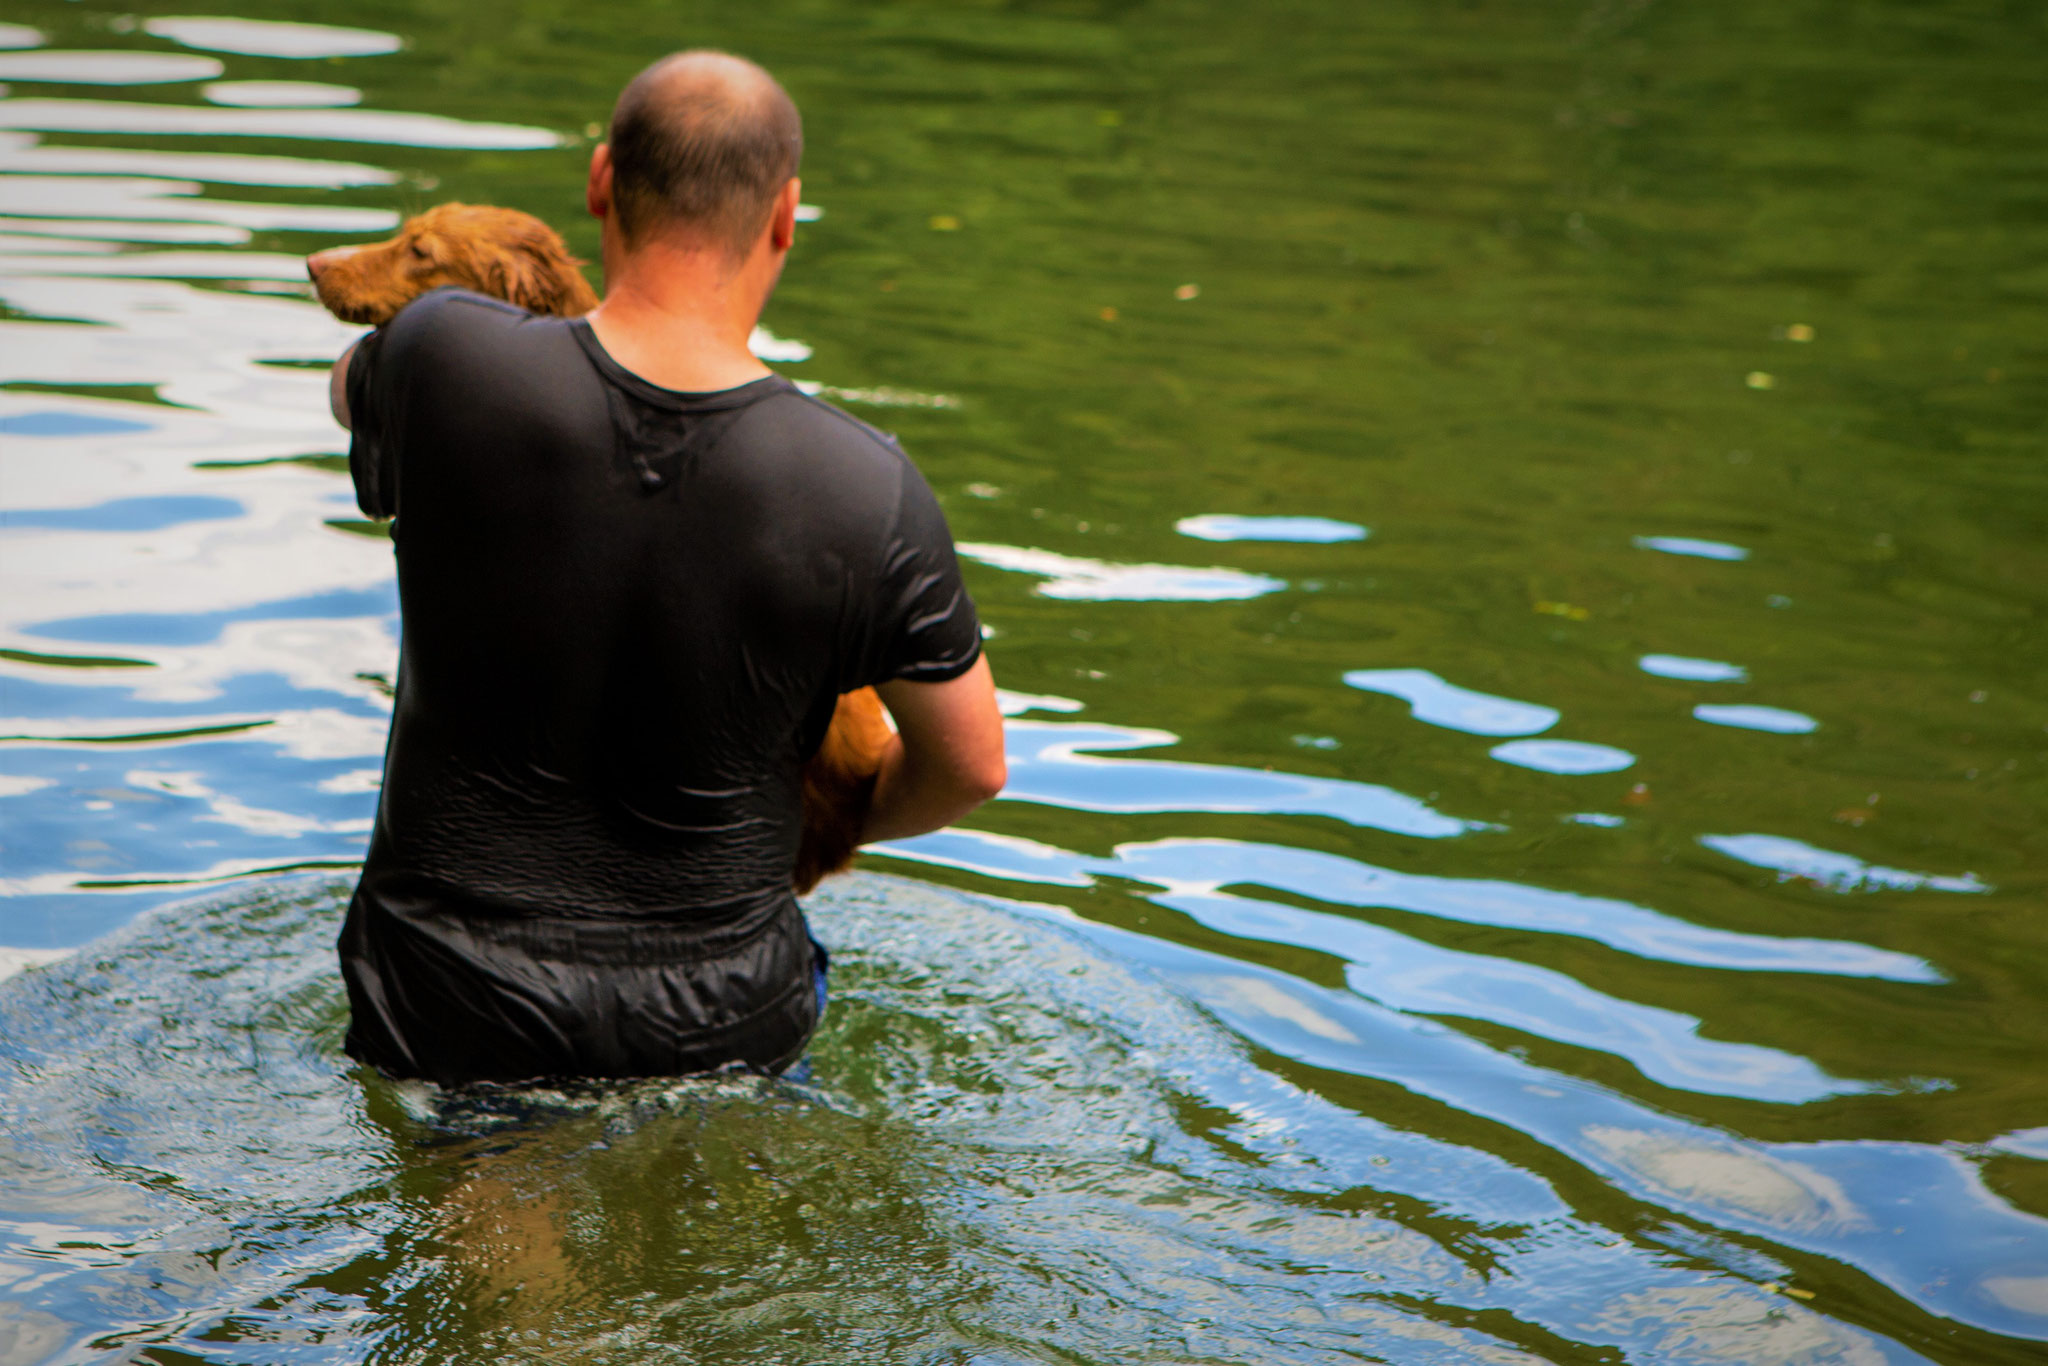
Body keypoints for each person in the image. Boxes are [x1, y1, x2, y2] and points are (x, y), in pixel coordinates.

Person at [323, 51, 1006, 1086]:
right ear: (784, 216)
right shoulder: (866, 485)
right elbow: (973, 765)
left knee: (500, 1206)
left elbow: (347, 386)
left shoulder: (439, 359)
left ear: (599, 182)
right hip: (725, 1013)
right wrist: (824, 833)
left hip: (449, 993)